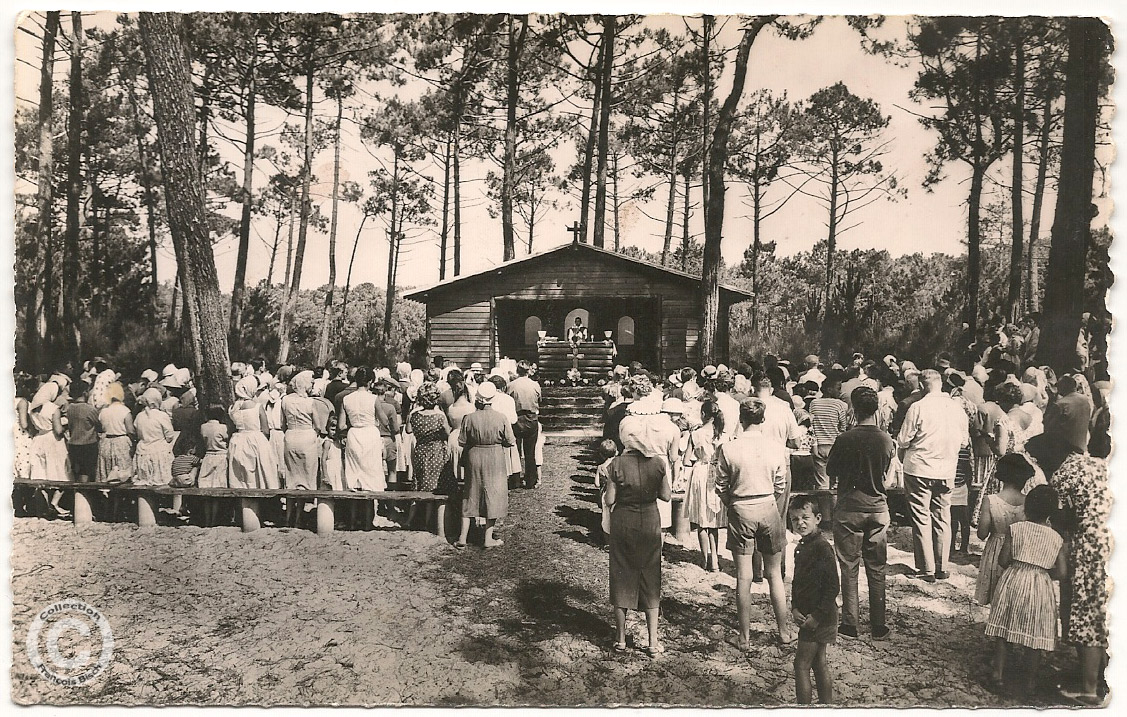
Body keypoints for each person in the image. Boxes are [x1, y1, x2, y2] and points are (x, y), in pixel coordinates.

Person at [1026, 435, 1112, 705]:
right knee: (1105, 614)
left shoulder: (1064, 473)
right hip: (1112, 541)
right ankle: (1099, 673)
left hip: (1090, 550)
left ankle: (1088, 690)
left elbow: (1060, 516)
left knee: (1086, 617)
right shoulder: (1097, 464)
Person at [716, 398, 794, 648]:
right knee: (774, 575)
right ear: (763, 419)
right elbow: (780, 485)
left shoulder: (729, 448)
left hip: (741, 507)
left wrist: (733, 504)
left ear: (741, 419)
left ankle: (744, 637)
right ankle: (783, 632)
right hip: (767, 505)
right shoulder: (775, 447)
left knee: (743, 576)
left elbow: (720, 485)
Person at [984, 485, 1066, 695]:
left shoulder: (1016, 529)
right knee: (1034, 636)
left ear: (1027, 507)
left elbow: (1003, 560)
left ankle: (997, 675)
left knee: (1003, 631)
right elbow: (1062, 572)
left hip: (1014, 579)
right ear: (1051, 512)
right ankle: (1030, 682)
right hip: (1040, 584)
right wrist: (1044, 573)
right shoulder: (1056, 538)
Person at [828, 386, 894, 640]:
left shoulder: (845, 439)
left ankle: (850, 623)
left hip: (849, 507)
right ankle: (878, 624)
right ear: (876, 408)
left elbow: (831, 470)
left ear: (853, 409)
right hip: (877, 507)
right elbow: (886, 473)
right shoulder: (886, 439)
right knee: (877, 567)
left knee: (849, 566)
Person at [897, 369, 969, 582]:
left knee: (921, 517)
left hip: (920, 467)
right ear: (941, 384)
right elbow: (964, 442)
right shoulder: (957, 408)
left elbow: (903, 440)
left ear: (921, 386)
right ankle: (942, 565)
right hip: (947, 467)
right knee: (942, 516)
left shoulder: (917, 407)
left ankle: (926, 568)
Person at [605, 427, 671, 656]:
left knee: (621, 572)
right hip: (650, 520)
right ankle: (653, 641)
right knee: (651, 575)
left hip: (624, 520)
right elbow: (666, 496)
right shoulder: (658, 464)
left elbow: (610, 499)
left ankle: (621, 638)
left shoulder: (615, 465)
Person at [789, 496, 839, 705]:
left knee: (801, 664)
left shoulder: (822, 547)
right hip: (810, 614)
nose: (800, 523)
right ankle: (826, 705)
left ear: (818, 518)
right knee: (818, 662)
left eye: (805, 518)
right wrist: (794, 607)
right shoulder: (802, 546)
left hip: (820, 615)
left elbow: (832, 587)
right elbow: (797, 581)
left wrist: (816, 617)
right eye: (794, 519)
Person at [456, 382, 516, 548]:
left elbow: (462, 441)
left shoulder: (469, 418)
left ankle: (462, 537)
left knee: (471, 492)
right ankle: (488, 538)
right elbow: (511, 441)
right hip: (495, 456)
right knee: (493, 493)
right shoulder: (501, 417)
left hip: (474, 456)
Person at [975, 453, 1032, 605]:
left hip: (996, 551)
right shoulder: (1028, 501)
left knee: (996, 590)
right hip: (1020, 551)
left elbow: (982, 533)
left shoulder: (991, 500)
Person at [683, 401, 728, 572]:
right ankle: (715, 560)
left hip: (701, 472)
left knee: (702, 521)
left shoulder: (696, 434)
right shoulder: (723, 434)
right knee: (713, 520)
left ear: (703, 414)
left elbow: (687, 459)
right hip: (717, 473)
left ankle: (705, 559)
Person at [408, 381, 453, 533]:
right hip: (436, 451)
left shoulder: (414, 415)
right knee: (434, 484)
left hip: (420, 450)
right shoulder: (439, 416)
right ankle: (430, 521)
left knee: (420, 481)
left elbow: (408, 430)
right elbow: (448, 434)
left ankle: (412, 518)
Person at [228, 376, 280, 490]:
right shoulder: (257, 406)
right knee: (261, 473)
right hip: (256, 439)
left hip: (238, 440)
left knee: (241, 478)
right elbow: (265, 429)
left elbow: (232, 427)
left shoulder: (233, 408)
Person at [508, 360, 542, 489]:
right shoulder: (535, 385)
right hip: (531, 418)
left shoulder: (511, 385)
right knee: (530, 451)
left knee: (515, 451)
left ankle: (515, 479)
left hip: (516, 418)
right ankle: (530, 480)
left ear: (517, 371)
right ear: (528, 371)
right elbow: (539, 400)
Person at [133, 388, 175, 486]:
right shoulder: (162, 415)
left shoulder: (139, 416)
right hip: (160, 454)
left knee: (144, 484)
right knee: (163, 483)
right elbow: (170, 435)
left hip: (142, 453)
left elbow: (138, 434)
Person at [96, 382, 134, 484]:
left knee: (107, 472)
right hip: (121, 443)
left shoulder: (103, 411)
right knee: (123, 473)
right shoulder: (125, 410)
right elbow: (130, 430)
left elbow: (100, 428)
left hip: (106, 443)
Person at [1042, 375, 1092, 453]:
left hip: (1064, 450)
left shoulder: (1060, 404)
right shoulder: (1085, 400)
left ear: (1062, 387)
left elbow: (1048, 427)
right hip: (1082, 446)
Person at [66, 379, 100, 483]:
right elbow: (99, 425)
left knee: (77, 472)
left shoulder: (70, 408)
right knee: (87, 473)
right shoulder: (89, 409)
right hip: (88, 445)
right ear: (85, 393)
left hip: (73, 444)